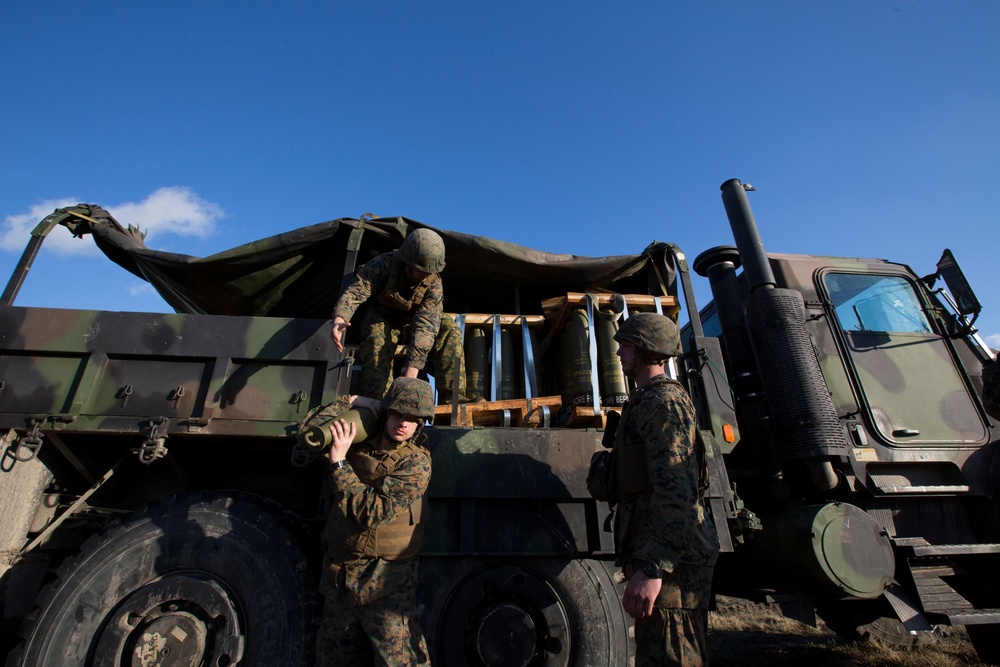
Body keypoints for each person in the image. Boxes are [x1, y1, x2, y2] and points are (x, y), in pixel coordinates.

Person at [606, 312, 720, 666]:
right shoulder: (647, 400)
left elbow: (677, 492)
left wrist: (655, 568)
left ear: (646, 350)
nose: (620, 353)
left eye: (626, 345)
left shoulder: (663, 404)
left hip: (675, 567)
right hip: (664, 559)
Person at [313, 377, 435, 666]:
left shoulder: (417, 463)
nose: (404, 424)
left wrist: (339, 464)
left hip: (385, 585)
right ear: (386, 411)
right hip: (341, 578)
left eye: (413, 419)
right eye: (398, 414)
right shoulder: (360, 442)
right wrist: (352, 402)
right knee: (332, 660)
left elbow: (372, 512)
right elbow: (309, 432)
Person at [331, 228, 466, 402]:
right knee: (375, 344)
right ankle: (378, 402)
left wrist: (411, 376)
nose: (425, 275)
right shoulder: (383, 264)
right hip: (383, 316)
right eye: (420, 269)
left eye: (429, 272)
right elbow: (356, 291)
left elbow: (427, 326)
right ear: (408, 260)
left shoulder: (434, 284)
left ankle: (453, 399)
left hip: (415, 322)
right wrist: (340, 318)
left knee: (451, 331)